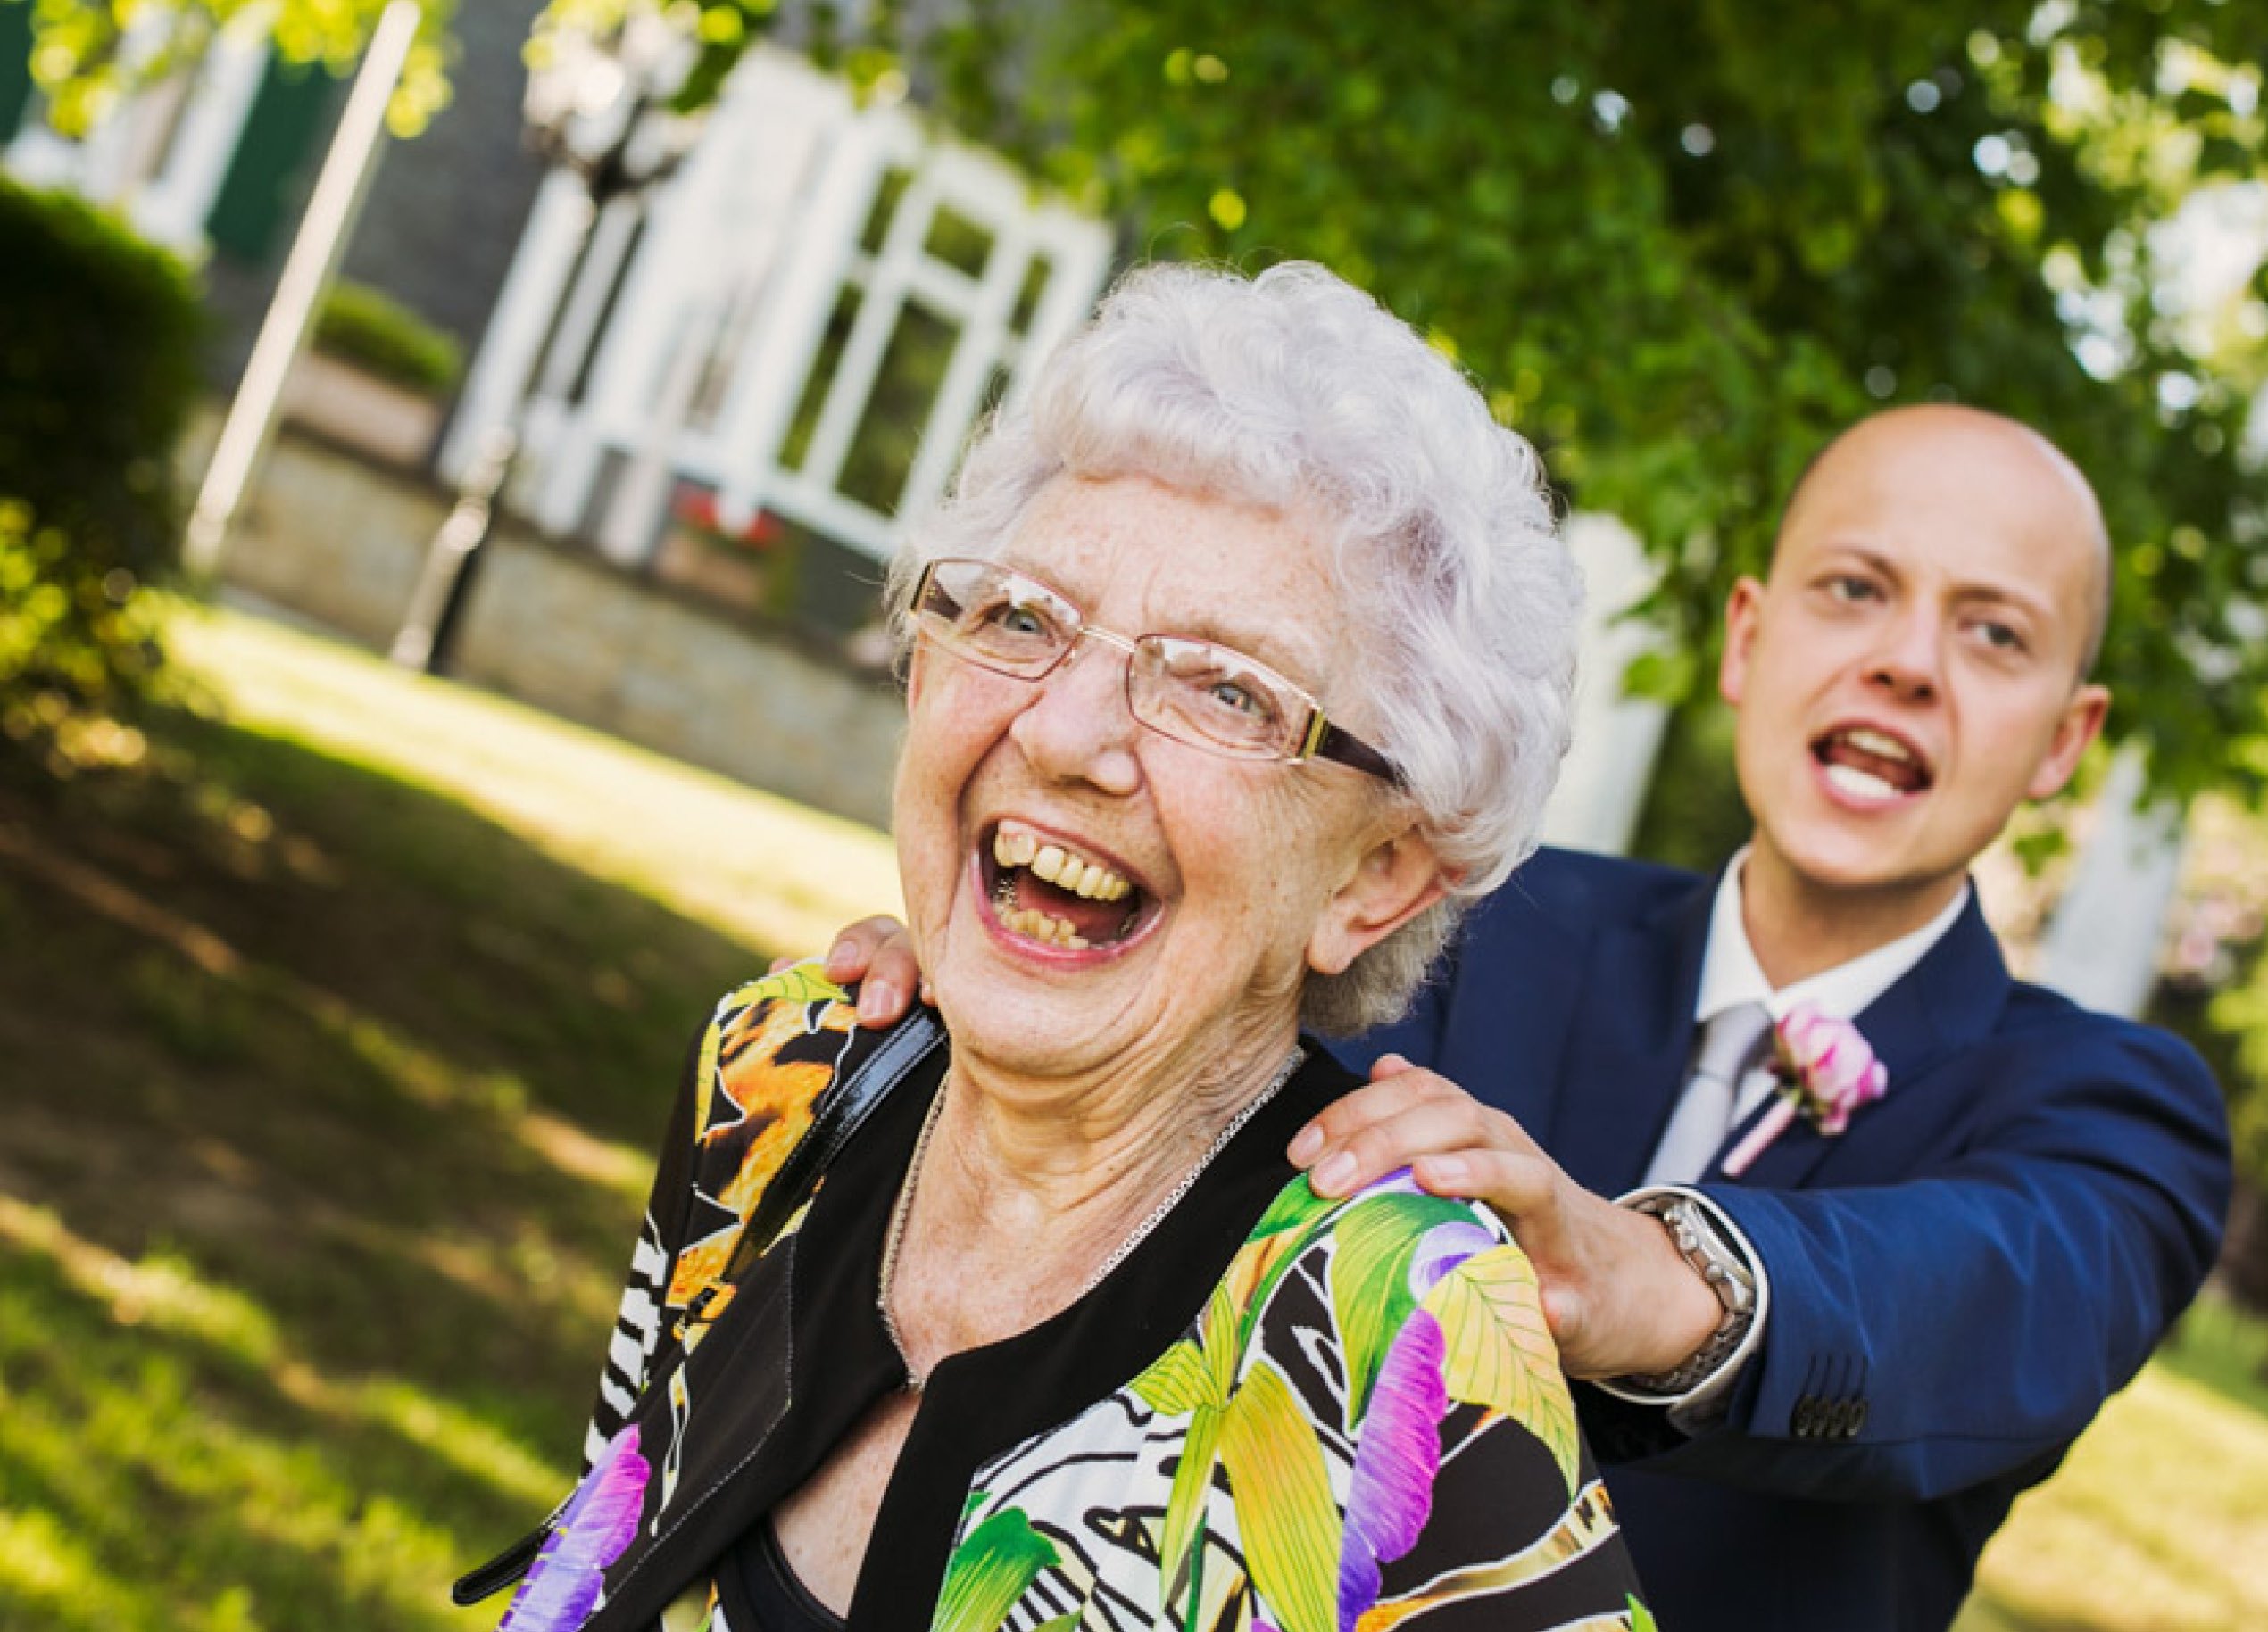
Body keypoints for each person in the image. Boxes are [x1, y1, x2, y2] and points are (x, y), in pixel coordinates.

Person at [829, 404, 2233, 1630]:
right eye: (1855, 588)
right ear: (1745, 639)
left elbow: (1988, 1293)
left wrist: (1646, 1279)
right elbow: (1194, 1087)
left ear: (2065, 737)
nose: (1906, 662)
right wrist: (1019, 989)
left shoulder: (2116, 1113)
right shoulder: (1474, 914)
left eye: (1992, 633)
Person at [455, 262, 1652, 1632]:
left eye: (1223, 687)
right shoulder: (779, 1070)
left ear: (1375, 874)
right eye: (1021, 616)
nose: (1065, 733)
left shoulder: (1402, 1330)